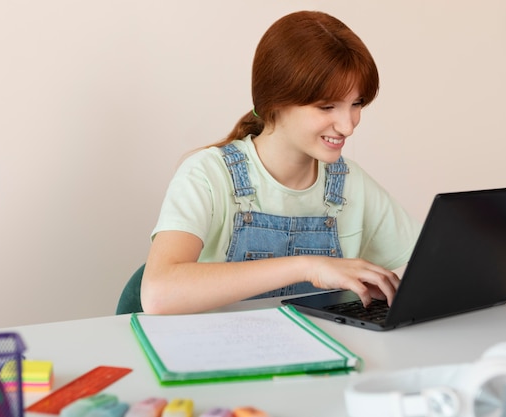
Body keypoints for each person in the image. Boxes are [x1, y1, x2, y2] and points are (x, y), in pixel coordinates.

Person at [140, 10, 421, 314]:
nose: (348, 126)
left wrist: (382, 285)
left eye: (356, 104)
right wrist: (308, 267)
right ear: (275, 101)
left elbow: (433, 264)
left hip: (323, 352)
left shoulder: (351, 183)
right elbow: (158, 293)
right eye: (327, 107)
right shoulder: (207, 175)